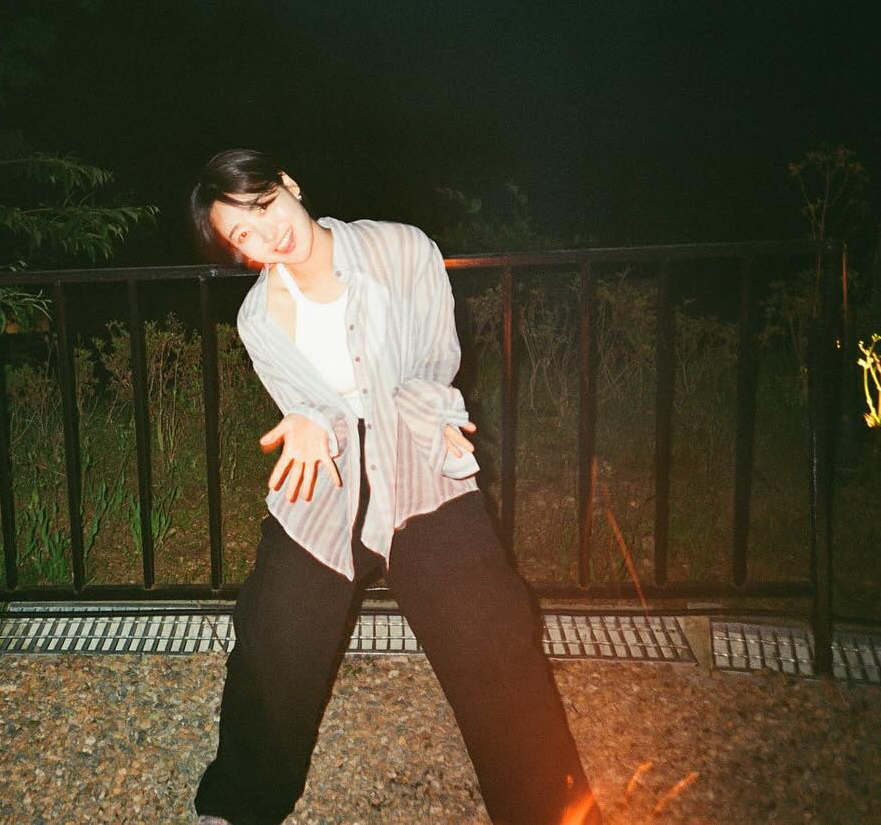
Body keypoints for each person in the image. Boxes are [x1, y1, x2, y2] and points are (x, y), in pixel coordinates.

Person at [188, 149, 599, 825]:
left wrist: (432, 413)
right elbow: (303, 405)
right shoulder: (257, 319)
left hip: (416, 469)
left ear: (289, 185)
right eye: (243, 235)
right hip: (328, 484)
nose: (267, 236)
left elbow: (436, 359)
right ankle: (238, 805)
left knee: (494, 638)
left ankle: (554, 813)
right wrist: (309, 423)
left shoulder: (401, 248)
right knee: (271, 636)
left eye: (263, 207)